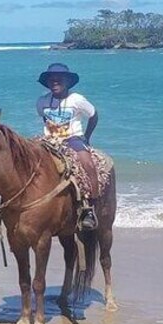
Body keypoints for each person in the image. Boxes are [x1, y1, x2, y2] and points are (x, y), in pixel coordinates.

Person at [35, 62, 100, 230]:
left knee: (87, 164)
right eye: (52, 79)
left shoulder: (77, 100)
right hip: (49, 141)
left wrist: (86, 137)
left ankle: (90, 207)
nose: (55, 82)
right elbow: (45, 120)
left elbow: (93, 115)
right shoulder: (42, 102)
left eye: (59, 79)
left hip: (73, 139)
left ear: (67, 81)